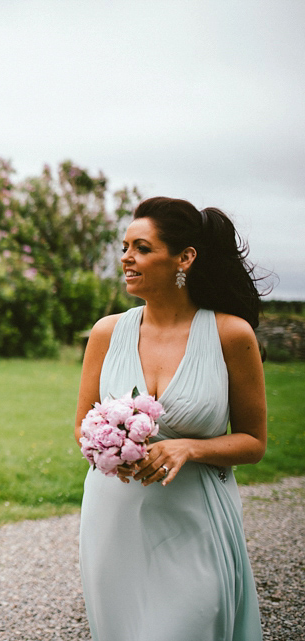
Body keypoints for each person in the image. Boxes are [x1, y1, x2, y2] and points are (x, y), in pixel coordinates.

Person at [75, 196, 267, 640]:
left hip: (193, 519)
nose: (126, 258)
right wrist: (106, 448)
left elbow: (255, 443)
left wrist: (190, 446)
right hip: (114, 517)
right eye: (124, 247)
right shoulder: (107, 333)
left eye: (141, 248)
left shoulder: (230, 334)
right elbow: (82, 424)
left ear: (185, 258)